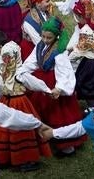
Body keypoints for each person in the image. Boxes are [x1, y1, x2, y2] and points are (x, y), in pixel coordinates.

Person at [16, 17, 87, 157]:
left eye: (49, 37)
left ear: (56, 37)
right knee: (40, 109)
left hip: (54, 82)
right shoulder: (40, 46)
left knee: (59, 113)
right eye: (43, 36)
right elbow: (33, 61)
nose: (45, 39)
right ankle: (44, 137)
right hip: (42, 81)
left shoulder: (59, 52)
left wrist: (60, 88)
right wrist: (22, 71)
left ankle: (66, 146)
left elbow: (64, 72)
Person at [0, 41, 52, 171]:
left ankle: (13, 158)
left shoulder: (0, 69)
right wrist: (48, 91)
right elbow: (35, 83)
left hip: (7, 102)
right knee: (21, 129)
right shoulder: (19, 72)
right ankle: (21, 158)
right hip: (18, 103)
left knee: (8, 129)